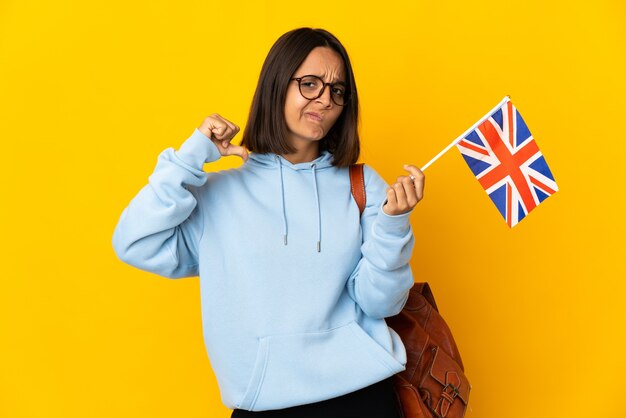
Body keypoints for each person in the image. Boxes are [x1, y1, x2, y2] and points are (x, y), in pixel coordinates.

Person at [112, 27, 425, 417]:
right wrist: (193, 154)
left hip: (361, 396)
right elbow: (134, 241)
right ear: (276, 84)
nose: (325, 100)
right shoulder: (218, 194)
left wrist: (394, 226)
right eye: (310, 84)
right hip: (263, 402)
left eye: (337, 90)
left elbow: (380, 301)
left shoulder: (361, 185)